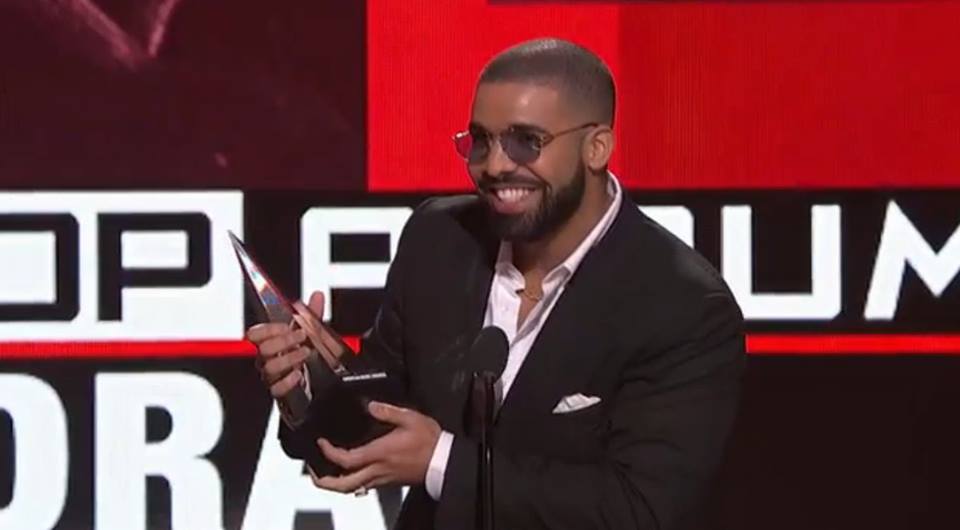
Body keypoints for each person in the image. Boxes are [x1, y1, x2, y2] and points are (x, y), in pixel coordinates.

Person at [247, 38, 745, 530]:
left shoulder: (683, 306)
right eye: (481, 141)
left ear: (596, 147)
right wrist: (315, 384)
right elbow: (382, 420)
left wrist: (442, 463)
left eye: (526, 141)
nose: (495, 165)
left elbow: (641, 509)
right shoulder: (439, 238)